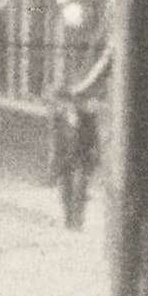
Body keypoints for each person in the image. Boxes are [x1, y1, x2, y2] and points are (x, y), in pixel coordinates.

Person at [52, 91, 99, 229]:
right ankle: (68, 220)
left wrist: (94, 159)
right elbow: (55, 141)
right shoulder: (59, 118)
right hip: (64, 159)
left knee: (79, 189)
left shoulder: (87, 118)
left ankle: (78, 221)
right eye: (64, 104)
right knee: (65, 191)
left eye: (71, 103)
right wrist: (55, 162)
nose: (67, 106)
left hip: (81, 159)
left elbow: (94, 140)